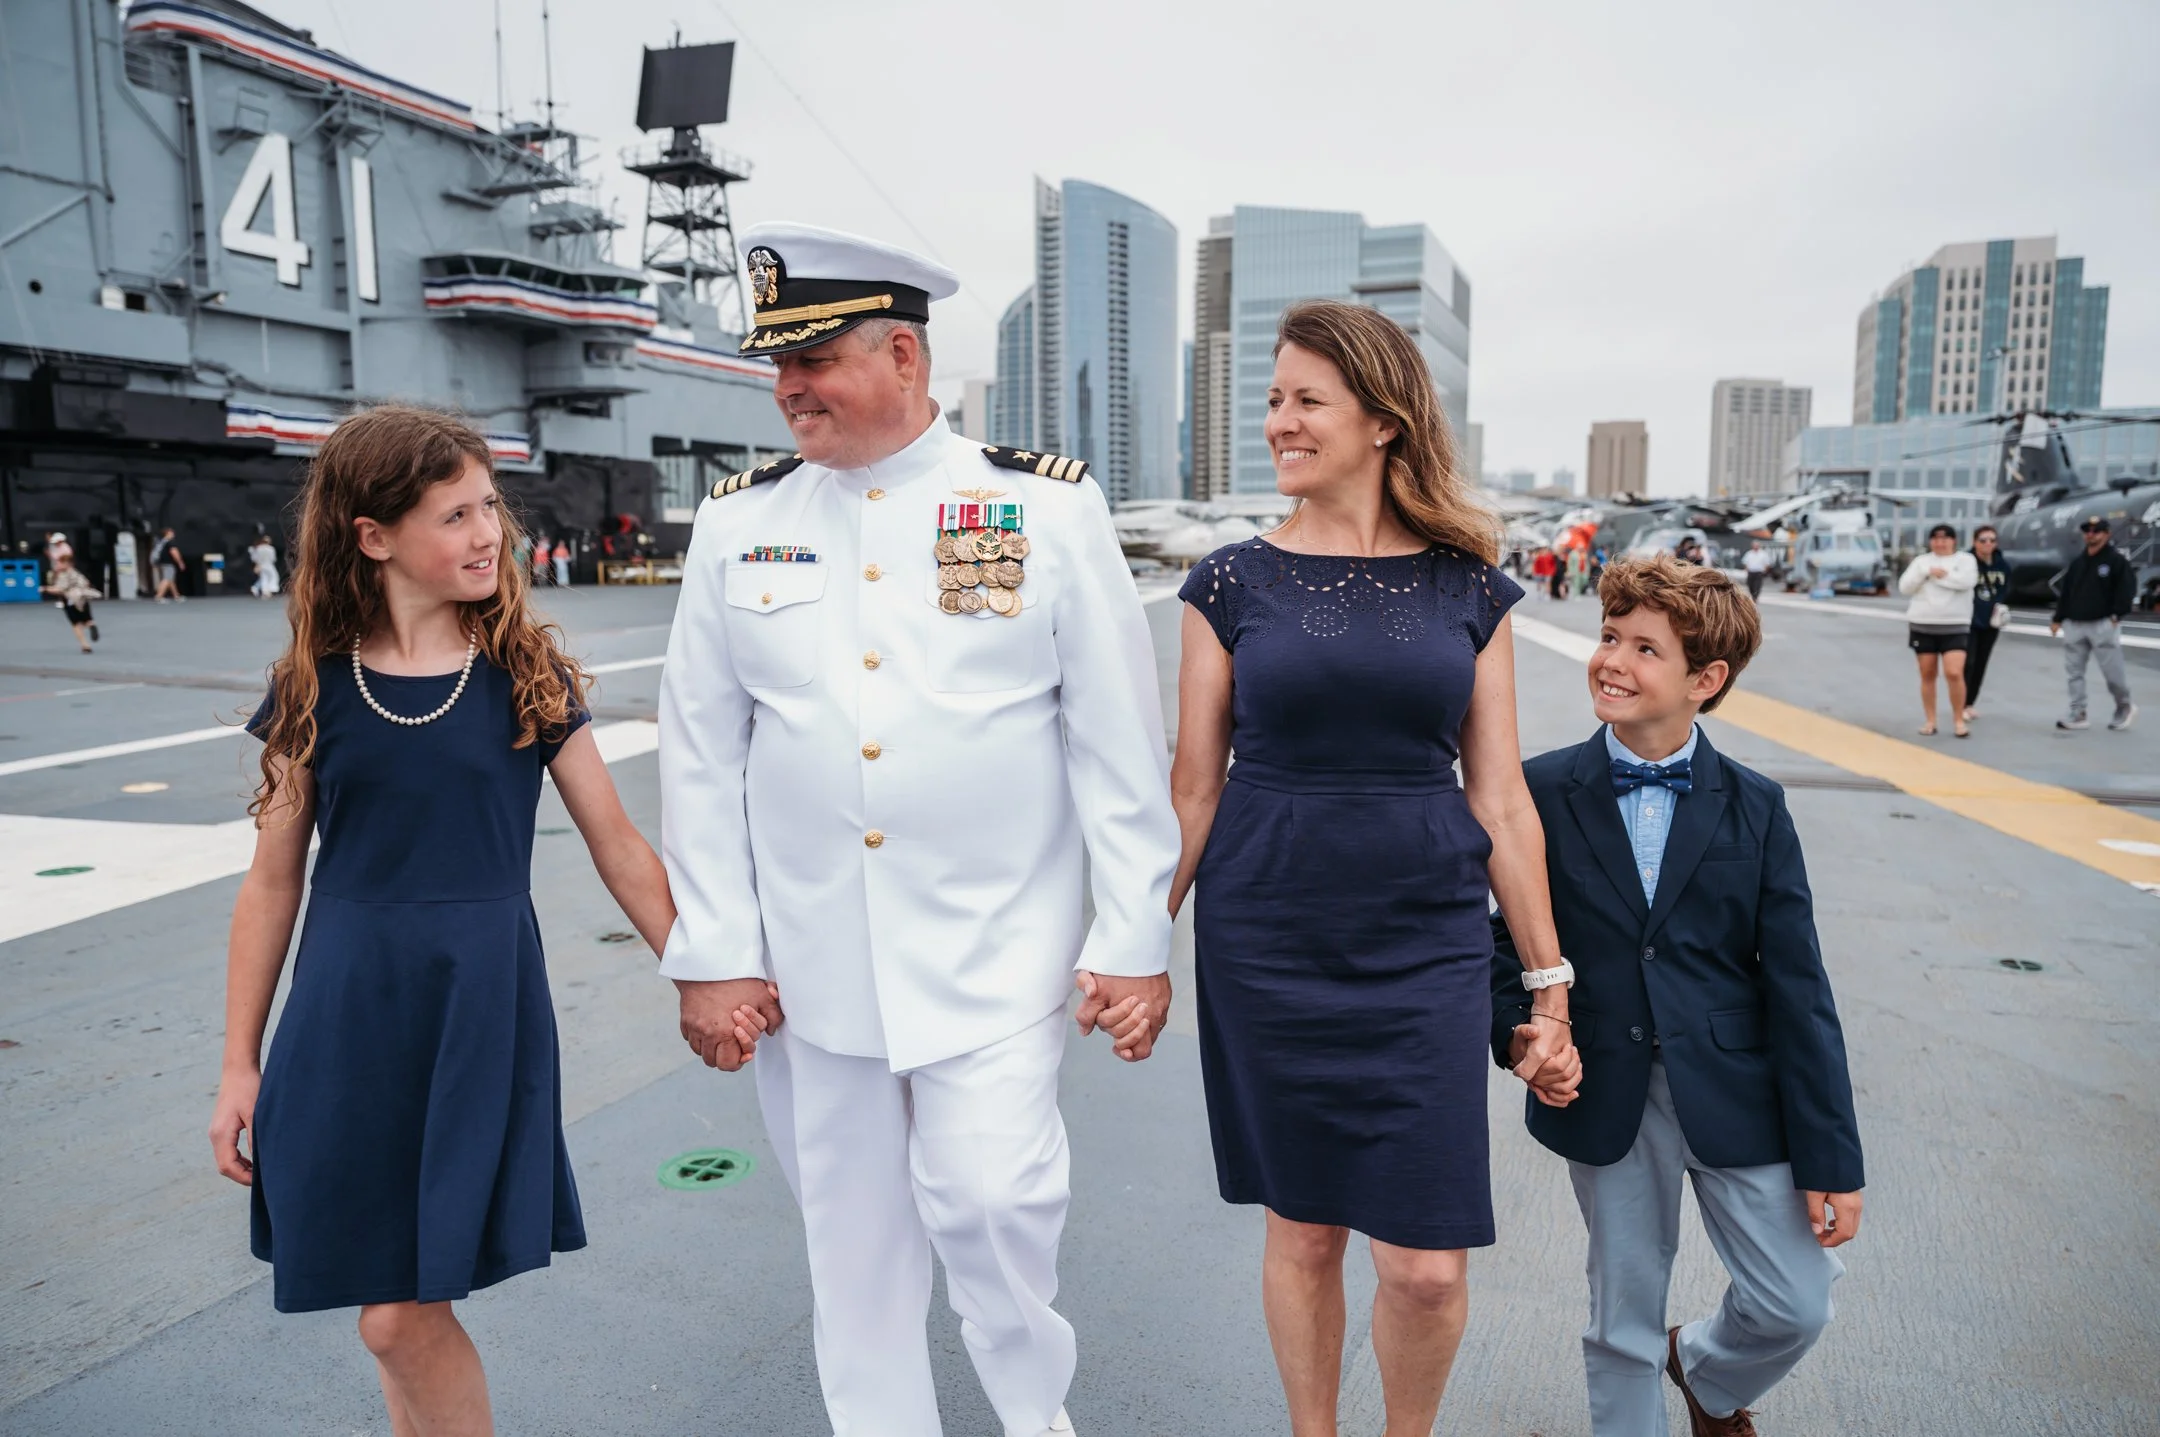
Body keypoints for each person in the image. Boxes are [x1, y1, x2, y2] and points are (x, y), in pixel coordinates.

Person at [655, 223, 1180, 1437]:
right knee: (853, 1245)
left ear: (902, 352)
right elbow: (701, 750)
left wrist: (1134, 935)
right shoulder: (739, 524)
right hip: (811, 959)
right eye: (777, 364)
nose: (789, 387)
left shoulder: (1037, 507)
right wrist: (715, 949)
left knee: (996, 1205)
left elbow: (1112, 740)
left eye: (816, 359)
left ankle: (1032, 1416)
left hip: (997, 946)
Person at [208, 405, 698, 1437]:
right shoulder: (314, 688)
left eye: (489, 507)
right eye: (454, 514)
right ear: (373, 536)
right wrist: (238, 1065)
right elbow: (270, 885)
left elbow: (617, 845)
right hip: (344, 1017)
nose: (488, 534)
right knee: (387, 1304)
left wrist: (703, 973)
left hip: (475, 1008)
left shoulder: (526, 676)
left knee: (397, 1318)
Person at [1171, 300, 1578, 1437]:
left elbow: (1499, 796)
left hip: (1424, 945)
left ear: (1384, 419)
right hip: (1267, 936)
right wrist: (1128, 946)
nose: (1279, 422)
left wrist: (1548, 985)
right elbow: (1194, 787)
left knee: (1427, 1269)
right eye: (1272, 400)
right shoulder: (1228, 583)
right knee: (1303, 1231)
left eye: (1306, 400)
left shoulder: (1469, 587)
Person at [1492, 555, 1863, 1437]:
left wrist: (1834, 1161)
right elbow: (1496, 943)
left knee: (1798, 1299)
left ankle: (1702, 1366)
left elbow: (1801, 986)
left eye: (1644, 648)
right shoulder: (1537, 792)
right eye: (1610, 636)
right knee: (1621, 1318)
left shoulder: (1757, 805)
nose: (1612, 659)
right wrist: (1521, 1039)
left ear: (1706, 679)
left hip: (1738, 1089)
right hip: (1606, 1088)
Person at [2050, 514, 2136, 731]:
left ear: (2106, 534)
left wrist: (2117, 615)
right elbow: (2067, 592)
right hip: (2075, 624)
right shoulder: (2078, 563)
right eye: (2087, 531)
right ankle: (2078, 712)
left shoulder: (2116, 562)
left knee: (2113, 673)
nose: (2091, 534)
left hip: (2102, 623)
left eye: (2096, 531)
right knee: (2074, 673)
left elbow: (2126, 589)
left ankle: (2124, 706)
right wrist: (2058, 618)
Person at [1897, 523, 1977, 737]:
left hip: (1955, 624)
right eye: (1936, 538)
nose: (1940, 542)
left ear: (1953, 540)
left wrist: (1938, 577)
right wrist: (1926, 573)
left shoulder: (1965, 560)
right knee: (1928, 673)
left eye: (1945, 538)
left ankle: (1959, 719)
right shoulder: (1921, 562)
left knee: (1953, 672)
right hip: (1923, 623)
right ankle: (1930, 720)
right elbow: (1905, 587)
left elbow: (1966, 582)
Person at [1962, 525, 2012, 721]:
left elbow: (2005, 588)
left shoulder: (2002, 565)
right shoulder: (1966, 562)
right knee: (1968, 662)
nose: (1988, 544)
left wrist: (1999, 606)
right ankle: (1961, 703)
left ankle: (1970, 702)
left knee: (1982, 663)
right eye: (1983, 540)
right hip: (1968, 619)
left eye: (1992, 540)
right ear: (1975, 542)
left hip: (1991, 621)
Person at [41, 553, 100, 653]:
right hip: (82, 597)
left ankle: (85, 645)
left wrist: (45, 589)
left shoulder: (63, 575)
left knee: (76, 623)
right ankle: (91, 625)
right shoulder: (76, 573)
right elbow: (86, 582)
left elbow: (59, 589)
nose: (57, 565)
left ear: (66, 564)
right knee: (87, 618)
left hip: (69, 599)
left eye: (59, 563)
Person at [150, 526, 186, 601]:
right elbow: (174, 552)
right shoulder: (170, 542)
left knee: (170, 579)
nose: (173, 534)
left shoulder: (161, 542)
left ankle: (176, 596)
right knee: (166, 579)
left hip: (160, 563)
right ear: (168, 533)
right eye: (172, 533)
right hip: (168, 563)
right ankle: (158, 597)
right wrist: (180, 562)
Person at [248, 532, 281, 599]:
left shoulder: (259, 549)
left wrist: (257, 565)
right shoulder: (271, 549)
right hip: (269, 565)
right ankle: (271, 589)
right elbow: (273, 559)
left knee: (264, 579)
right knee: (274, 577)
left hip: (261, 565)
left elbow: (255, 558)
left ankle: (264, 591)